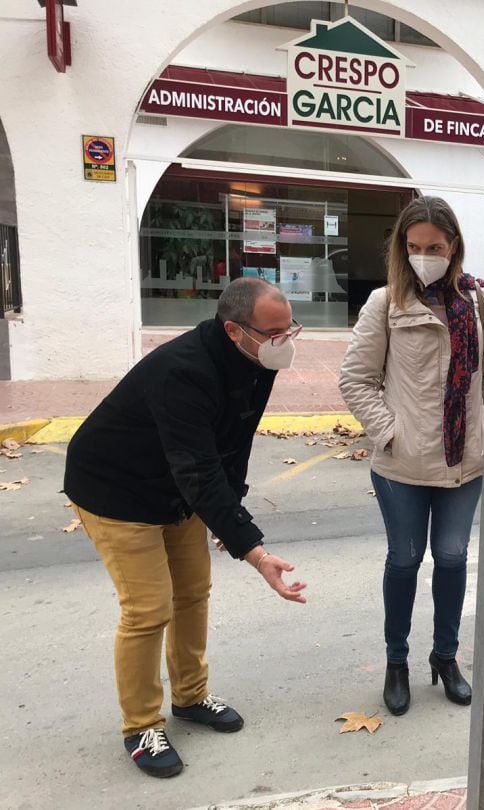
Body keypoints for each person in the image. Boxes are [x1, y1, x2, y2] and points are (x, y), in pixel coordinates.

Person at [63, 277, 307, 779]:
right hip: (115, 489)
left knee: (193, 593)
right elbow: (196, 468)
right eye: (274, 332)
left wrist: (230, 510)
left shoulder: (257, 359)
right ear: (234, 330)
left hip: (173, 486)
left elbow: (234, 443)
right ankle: (140, 726)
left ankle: (191, 696)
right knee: (148, 609)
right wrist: (254, 551)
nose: (286, 342)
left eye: (290, 330)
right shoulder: (184, 371)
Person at [340, 197, 484, 717]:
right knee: (404, 560)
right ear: (402, 249)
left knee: (451, 558)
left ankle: (445, 657)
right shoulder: (385, 303)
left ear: (454, 248)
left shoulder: (477, 304)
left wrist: (483, 428)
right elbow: (356, 381)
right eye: (414, 246)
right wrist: (391, 433)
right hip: (402, 464)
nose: (424, 255)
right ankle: (396, 661)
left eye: (435, 247)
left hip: (464, 462)